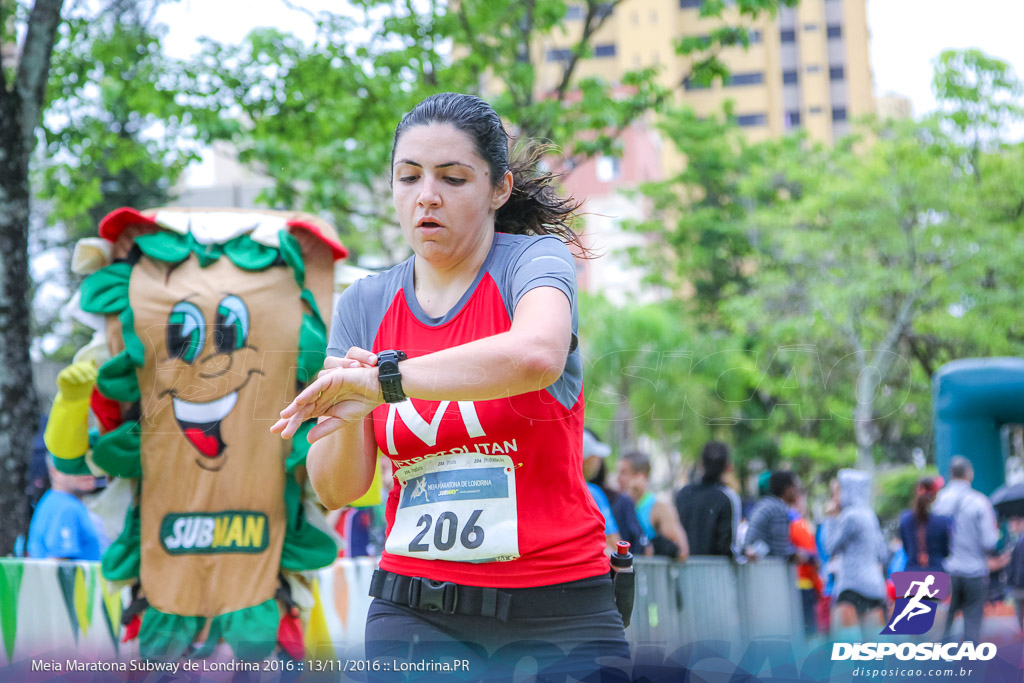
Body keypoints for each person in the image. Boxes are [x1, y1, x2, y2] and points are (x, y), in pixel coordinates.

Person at [273, 93, 630, 679]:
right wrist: (352, 410)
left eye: (453, 178)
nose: (426, 196)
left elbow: (536, 354)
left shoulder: (533, 262)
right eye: (408, 177)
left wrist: (382, 382)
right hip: (415, 613)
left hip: (560, 608)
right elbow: (337, 488)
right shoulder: (363, 303)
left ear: (499, 189)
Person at [932, 456, 1002, 643]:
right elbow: (990, 542)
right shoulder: (980, 501)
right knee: (972, 625)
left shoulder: (938, 502)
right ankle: (969, 668)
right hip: (974, 572)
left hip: (946, 573)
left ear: (950, 475)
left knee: (943, 626)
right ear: (969, 474)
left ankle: (940, 666)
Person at [823, 469, 888, 641]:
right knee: (872, 649)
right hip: (874, 586)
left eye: (837, 492)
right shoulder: (869, 514)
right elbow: (882, 552)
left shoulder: (849, 516)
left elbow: (830, 547)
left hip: (851, 586)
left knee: (844, 649)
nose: (835, 498)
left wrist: (830, 518)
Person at [26, 456, 105, 561]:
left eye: (90, 462)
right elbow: (58, 566)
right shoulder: (66, 507)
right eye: (77, 465)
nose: (87, 471)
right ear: (55, 473)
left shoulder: (53, 500)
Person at [617, 450, 689, 561]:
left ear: (641, 476)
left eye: (624, 473)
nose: (618, 479)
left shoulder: (659, 508)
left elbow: (682, 550)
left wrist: (651, 547)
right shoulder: (616, 504)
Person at [674, 441, 736, 558]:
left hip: (683, 568)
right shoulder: (724, 500)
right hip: (713, 572)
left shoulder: (684, 494)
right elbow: (724, 544)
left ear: (701, 463)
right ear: (726, 466)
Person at [744, 470, 804, 561]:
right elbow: (781, 550)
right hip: (767, 568)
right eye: (795, 487)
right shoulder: (778, 510)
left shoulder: (765, 504)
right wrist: (801, 556)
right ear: (787, 490)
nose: (797, 492)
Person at [899, 476, 951, 572]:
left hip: (911, 573)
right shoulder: (943, 522)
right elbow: (946, 552)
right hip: (935, 574)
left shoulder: (905, 520)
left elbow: (906, 550)